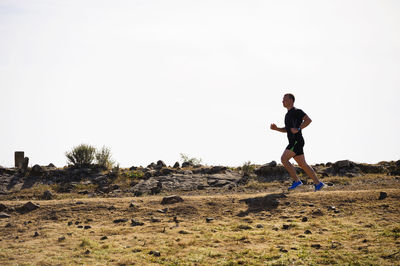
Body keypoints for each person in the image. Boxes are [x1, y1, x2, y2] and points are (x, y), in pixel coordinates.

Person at [270, 93, 325, 191]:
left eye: (285, 99)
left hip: (296, 141)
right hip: (295, 142)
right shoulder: (287, 115)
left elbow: (308, 120)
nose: (282, 101)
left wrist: (299, 128)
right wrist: (276, 128)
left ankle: (297, 181)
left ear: (291, 100)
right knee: (303, 164)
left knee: (284, 159)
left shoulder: (297, 111)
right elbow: (287, 129)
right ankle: (318, 183)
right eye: (282, 99)